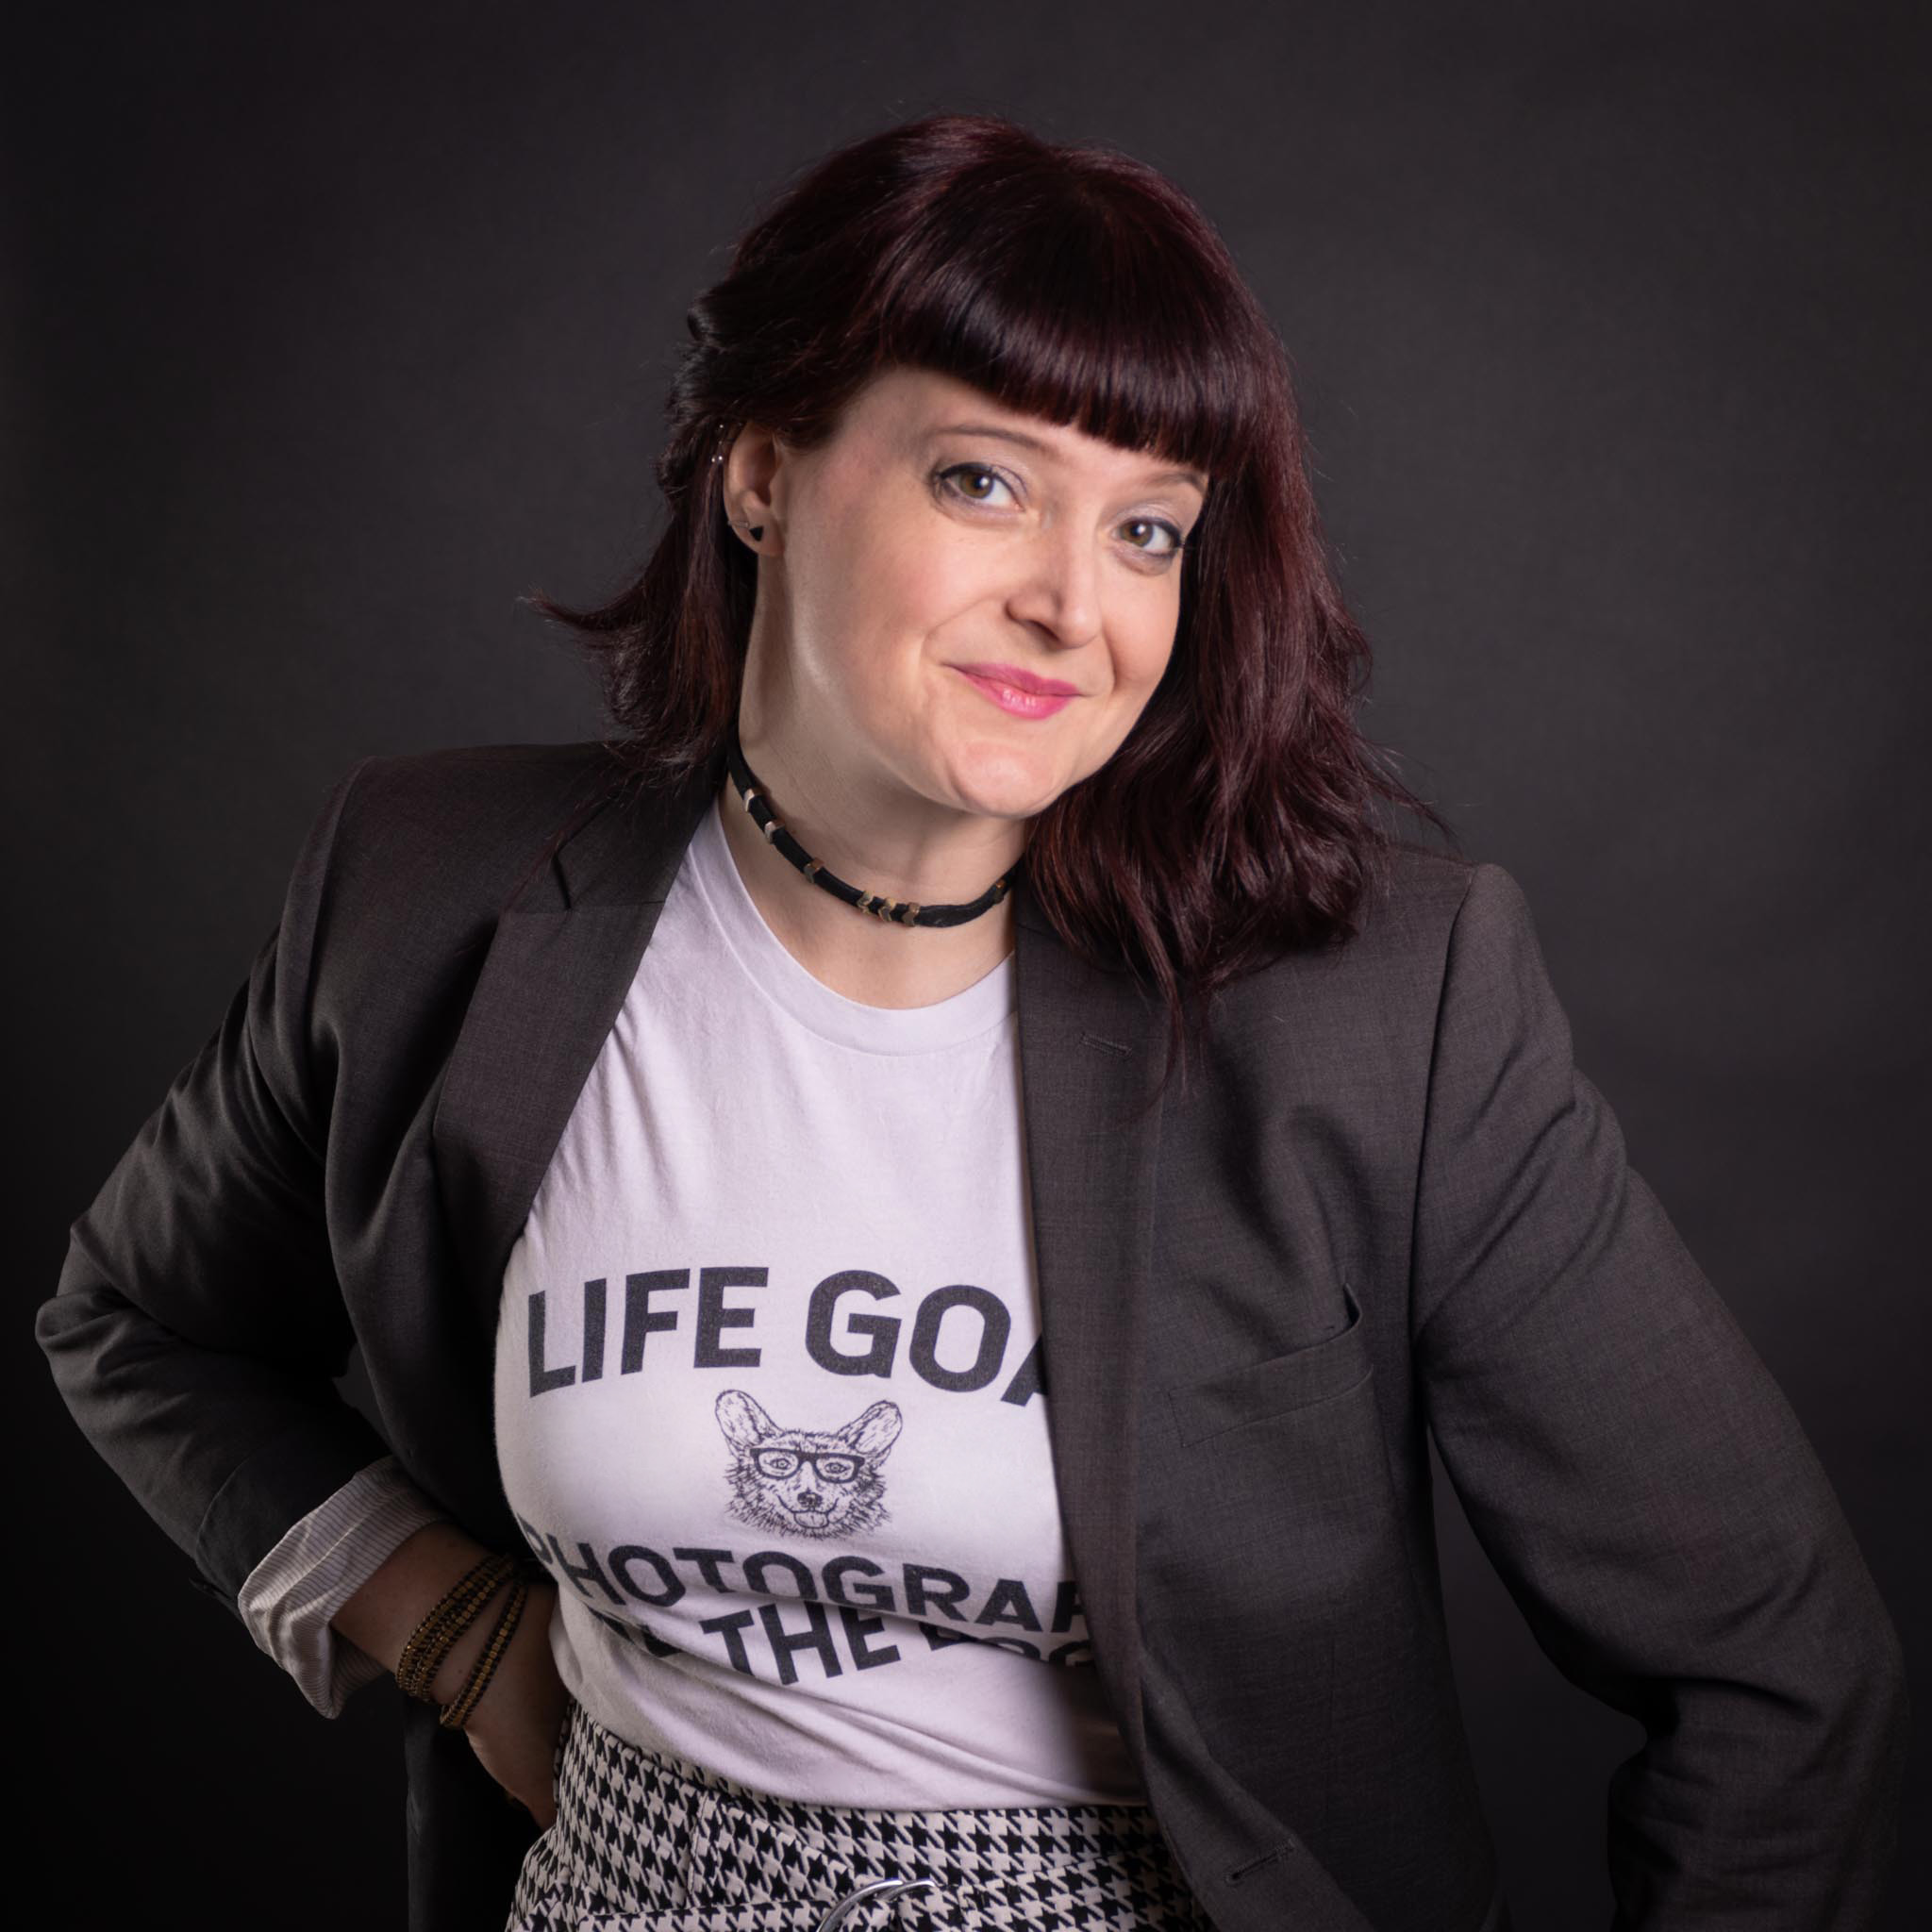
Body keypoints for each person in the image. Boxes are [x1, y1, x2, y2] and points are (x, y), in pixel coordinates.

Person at [35, 109, 1907, 1932]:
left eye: (1151, 532)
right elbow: (142, 1321)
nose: (1073, 606)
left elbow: (1768, 1660)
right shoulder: (430, 884)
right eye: (982, 479)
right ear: (760, 472)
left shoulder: (1375, 1010)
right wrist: (447, 1624)